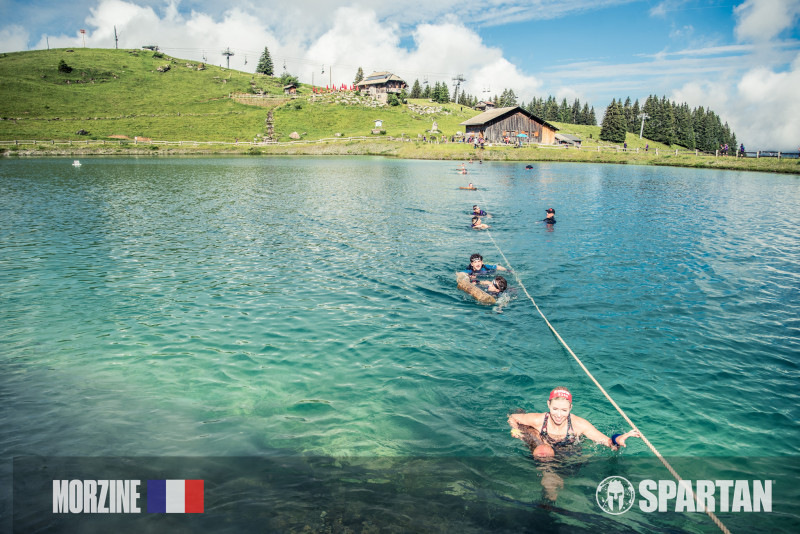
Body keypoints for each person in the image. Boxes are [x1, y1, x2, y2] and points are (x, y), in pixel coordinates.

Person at [508, 387, 641, 457]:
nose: (559, 415)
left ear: (570, 408)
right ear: (548, 405)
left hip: (569, 451)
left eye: (564, 410)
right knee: (542, 450)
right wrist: (514, 429)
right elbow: (513, 417)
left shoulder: (579, 424)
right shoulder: (539, 419)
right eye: (555, 409)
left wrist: (617, 439)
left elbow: (607, 442)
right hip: (544, 446)